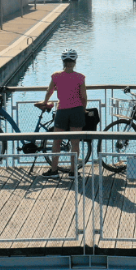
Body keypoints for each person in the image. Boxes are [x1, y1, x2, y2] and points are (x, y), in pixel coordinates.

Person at [36, 48, 87, 177]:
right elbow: (83, 96)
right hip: (76, 111)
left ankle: (54, 170)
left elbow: (49, 91)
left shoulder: (56, 76)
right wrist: (83, 109)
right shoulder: (80, 77)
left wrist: (45, 101)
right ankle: (73, 172)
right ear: (75, 61)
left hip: (62, 111)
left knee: (57, 141)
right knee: (75, 142)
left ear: (63, 61)